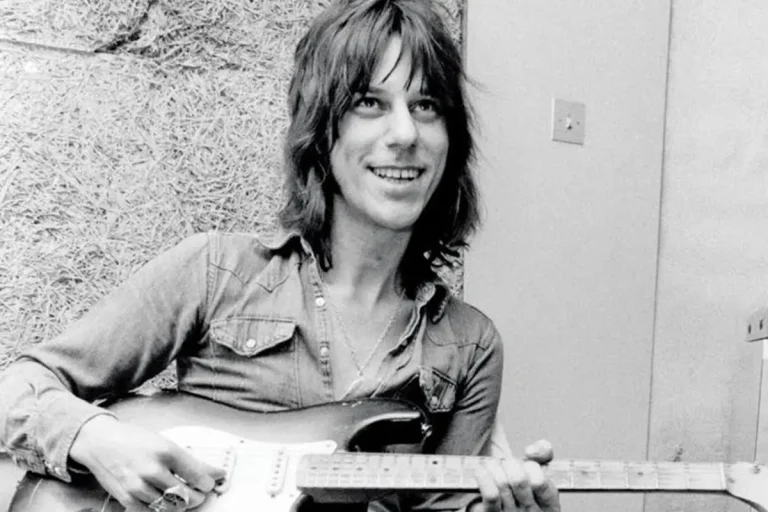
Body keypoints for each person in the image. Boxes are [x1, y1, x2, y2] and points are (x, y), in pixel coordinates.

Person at [0, 0, 561, 511]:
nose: (405, 132)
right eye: (370, 102)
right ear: (322, 130)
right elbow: (18, 387)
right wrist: (96, 439)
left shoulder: (469, 345)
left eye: (427, 105)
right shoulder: (217, 270)